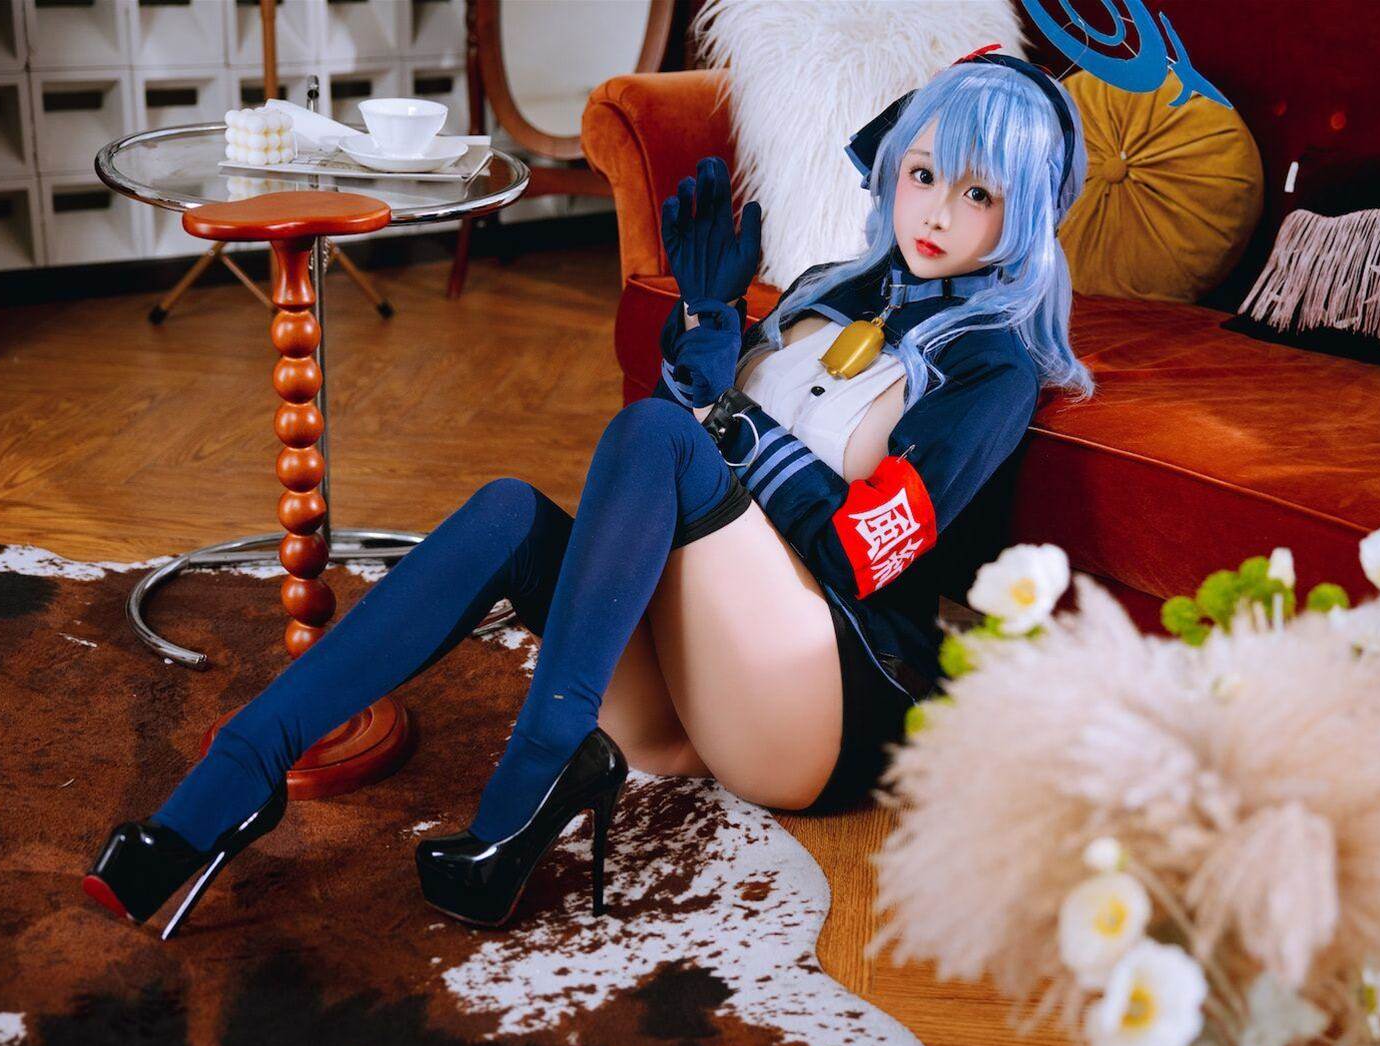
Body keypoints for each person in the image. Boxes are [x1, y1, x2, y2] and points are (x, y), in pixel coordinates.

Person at [82, 43, 1095, 938]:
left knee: (660, 435)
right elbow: (672, 477)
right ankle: (233, 778)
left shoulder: (991, 368)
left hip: (821, 704)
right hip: (700, 695)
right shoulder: (826, 287)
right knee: (511, 511)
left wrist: (721, 422)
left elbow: (849, 552)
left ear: (1026, 212)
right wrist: (709, 327)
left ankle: (533, 779)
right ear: (893, 167)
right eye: (923, 173)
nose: (937, 210)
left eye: (979, 194)